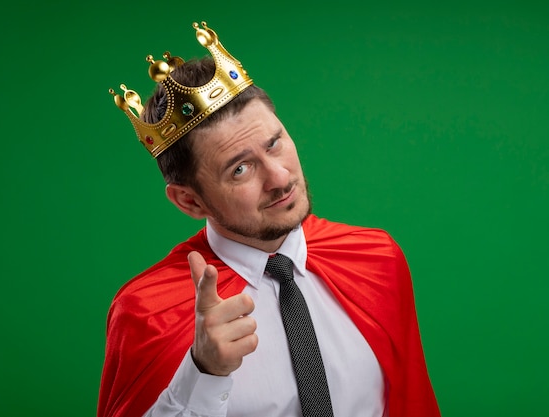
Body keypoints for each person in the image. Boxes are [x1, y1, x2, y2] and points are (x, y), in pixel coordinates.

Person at [98, 21, 440, 417]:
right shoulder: (148, 312)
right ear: (190, 201)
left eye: (275, 143)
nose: (279, 178)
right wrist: (203, 371)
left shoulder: (375, 259)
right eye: (240, 169)